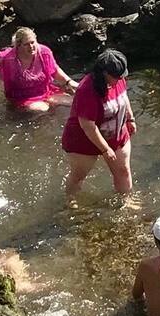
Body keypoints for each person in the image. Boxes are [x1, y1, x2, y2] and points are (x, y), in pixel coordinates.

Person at [62, 49, 137, 208]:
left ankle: (126, 201)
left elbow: (124, 97)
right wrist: (104, 149)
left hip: (115, 132)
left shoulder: (119, 78)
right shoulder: (87, 90)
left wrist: (130, 118)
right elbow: (87, 125)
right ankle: (70, 198)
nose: (120, 79)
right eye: (116, 77)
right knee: (79, 175)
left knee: (123, 170)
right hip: (84, 139)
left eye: (122, 76)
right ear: (104, 73)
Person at [0, 28, 75, 113]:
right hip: (22, 97)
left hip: (45, 92)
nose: (31, 47)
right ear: (18, 45)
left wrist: (69, 82)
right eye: (26, 44)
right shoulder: (8, 57)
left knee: (72, 102)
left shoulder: (44, 52)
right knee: (42, 109)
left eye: (33, 42)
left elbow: (55, 71)